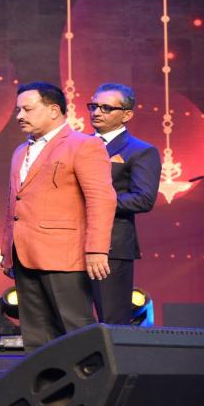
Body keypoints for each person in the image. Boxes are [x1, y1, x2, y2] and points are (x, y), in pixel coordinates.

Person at [0, 82, 117, 351]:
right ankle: (46, 391)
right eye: (18, 110)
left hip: (65, 255)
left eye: (27, 109)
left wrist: (96, 249)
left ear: (54, 110)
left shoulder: (84, 145)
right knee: (35, 332)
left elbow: (101, 199)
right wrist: (8, 251)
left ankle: (90, 389)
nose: (20, 116)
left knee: (74, 328)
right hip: (24, 255)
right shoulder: (21, 151)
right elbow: (13, 205)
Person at [87, 83, 160, 324]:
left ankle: (114, 362)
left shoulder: (141, 151)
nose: (97, 112)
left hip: (112, 246)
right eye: (94, 106)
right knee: (70, 318)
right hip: (68, 243)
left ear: (127, 114)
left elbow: (143, 198)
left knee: (111, 319)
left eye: (106, 108)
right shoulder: (77, 145)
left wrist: (97, 203)